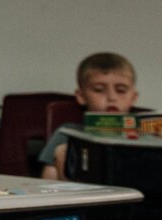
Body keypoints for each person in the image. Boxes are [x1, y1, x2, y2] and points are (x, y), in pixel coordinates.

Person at [39, 52, 139, 181]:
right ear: (81, 96)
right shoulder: (68, 133)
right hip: (81, 194)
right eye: (98, 89)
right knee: (62, 151)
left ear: (133, 97)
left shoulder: (144, 134)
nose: (112, 98)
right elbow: (49, 179)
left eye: (121, 90)